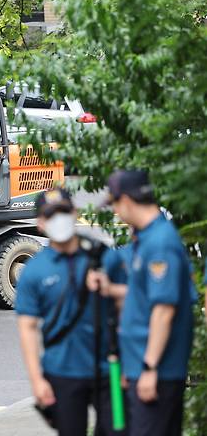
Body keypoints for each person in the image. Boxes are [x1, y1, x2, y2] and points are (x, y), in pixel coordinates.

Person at [88, 170, 197, 436]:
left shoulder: (160, 243)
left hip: (158, 370)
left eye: (114, 204)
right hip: (143, 365)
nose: (115, 211)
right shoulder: (146, 239)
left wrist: (149, 368)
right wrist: (111, 288)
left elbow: (163, 310)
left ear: (125, 200)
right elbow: (144, 298)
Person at [15, 187, 122, 436]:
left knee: (119, 429)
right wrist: (37, 381)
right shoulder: (34, 270)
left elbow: (130, 306)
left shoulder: (103, 257)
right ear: (40, 223)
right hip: (62, 372)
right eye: (51, 215)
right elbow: (27, 329)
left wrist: (111, 288)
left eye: (63, 212)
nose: (59, 220)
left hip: (111, 370)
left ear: (75, 214)